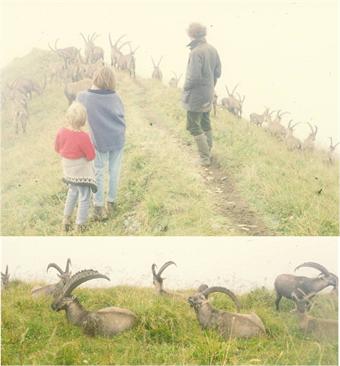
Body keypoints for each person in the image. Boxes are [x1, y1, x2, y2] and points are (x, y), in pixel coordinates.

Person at [77, 66, 126, 220]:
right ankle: (111, 202)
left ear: (95, 78)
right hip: (117, 137)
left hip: (99, 140)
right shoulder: (116, 96)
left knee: (98, 171)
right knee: (114, 171)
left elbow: (77, 106)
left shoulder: (84, 97)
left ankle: (99, 207)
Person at [182, 22, 221, 166]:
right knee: (205, 122)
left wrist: (185, 88)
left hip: (196, 96)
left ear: (191, 34)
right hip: (209, 93)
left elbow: (194, 77)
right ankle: (208, 153)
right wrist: (210, 86)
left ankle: (204, 158)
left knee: (192, 125)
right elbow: (218, 72)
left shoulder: (196, 52)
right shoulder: (212, 49)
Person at [55, 102, 96, 232]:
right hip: (81, 172)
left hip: (68, 170)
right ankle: (80, 225)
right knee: (84, 195)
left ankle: (66, 220)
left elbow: (57, 148)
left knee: (72, 191)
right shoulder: (83, 137)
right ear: (83, 120)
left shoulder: (61, 132)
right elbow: (91, 156)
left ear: (68, 117)